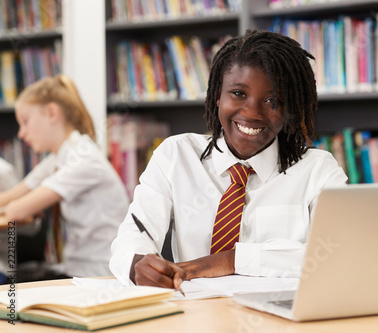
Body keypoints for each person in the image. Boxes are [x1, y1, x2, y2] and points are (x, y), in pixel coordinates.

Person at [109, 29, 348, 289]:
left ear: (291, 109)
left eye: (272, 100)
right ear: (216, 97)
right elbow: (133, 234)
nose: (252, 112)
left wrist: (233, 261)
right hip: (195, 316)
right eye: (239, 93)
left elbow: (339, 253)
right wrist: (137, 264)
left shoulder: (317, 171)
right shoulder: (176, 155)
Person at [0, 74, 129, 280]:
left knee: (7, 285)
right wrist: (10, 204)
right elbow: (13, 196)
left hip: (99, 274)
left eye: (25, 122)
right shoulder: (61, 155)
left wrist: (14, 206)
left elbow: (16, 210)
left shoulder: (83, 158)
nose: (21, 134)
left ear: (52, 113)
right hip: (76, 268)